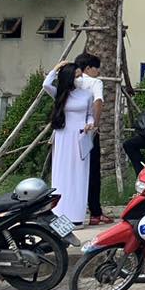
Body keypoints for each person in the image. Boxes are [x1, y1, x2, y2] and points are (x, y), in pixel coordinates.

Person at [43, 60, 92, 227]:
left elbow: (90, 115)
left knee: (79, 175)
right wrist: (57, 67)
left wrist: (90, 124)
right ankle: (59, 214)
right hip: (63, 136)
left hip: (80, 137)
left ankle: (77, 216)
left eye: (80, 75)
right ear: (69, 78)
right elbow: (46, 84)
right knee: (62, 175)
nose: (80, 79)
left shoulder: (87, 94)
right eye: (77, 76)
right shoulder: (59, 93)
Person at [73, 52, 110, 224]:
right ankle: (95, 212)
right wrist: (95, 124)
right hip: (88, 130)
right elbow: (98, 101)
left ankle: (74, 208)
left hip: (70, 132)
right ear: (88, 68)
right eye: (96, 68)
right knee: (93, 170)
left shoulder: (72, 82)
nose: (98, 72)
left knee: (73, 170)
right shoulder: (95, 82)